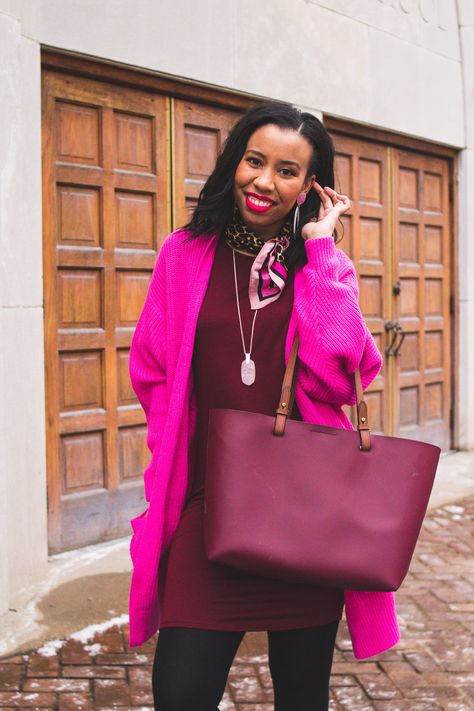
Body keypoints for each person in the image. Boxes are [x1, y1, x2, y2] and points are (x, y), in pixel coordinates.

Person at [127, 102, 400, 710]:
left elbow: (343, 373)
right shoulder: (184, 255)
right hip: (208, 504)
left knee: (301, 697)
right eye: (255, 161)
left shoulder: (324, 269)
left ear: (309, 187)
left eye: (287, 170)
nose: (264, 181)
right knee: (181, 691)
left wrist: (321, 251)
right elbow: (150, 366)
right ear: (235, 163)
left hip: (306, 516)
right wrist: (170, 452)